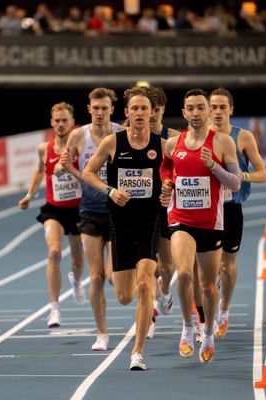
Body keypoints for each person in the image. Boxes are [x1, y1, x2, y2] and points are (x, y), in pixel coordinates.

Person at [82, 86, 162, 370]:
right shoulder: (113, 143)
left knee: (143, 286)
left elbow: (176, 171)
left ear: (152, 113)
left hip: (149, 224)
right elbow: (88, 173)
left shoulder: (161, 144)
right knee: (125, 296)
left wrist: (170, 189)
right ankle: (156, 281)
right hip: (121, 226)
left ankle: (137, 351)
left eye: (145, 109)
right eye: (135, 109)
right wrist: (110, 191)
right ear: (127, 113)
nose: (140, 113)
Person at [160, 88, 241, 363]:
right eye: (190, 108)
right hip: (180, 219)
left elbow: (236, 182)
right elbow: (166, 171)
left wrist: (214, 167)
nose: (195, 113)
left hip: (211, 223)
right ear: (184, 113)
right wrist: (167, 186)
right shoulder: (173, 144)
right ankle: (186, 328)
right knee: (183, 274)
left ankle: (207, 332)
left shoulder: (223, 142)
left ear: (208, 111)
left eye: (200, 108)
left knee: (207, 285)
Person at [60, 87, 122, 351]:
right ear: (89, 109)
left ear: (111, 110)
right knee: (95, 277)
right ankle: (102, 332)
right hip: (90, 211)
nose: (99, 113)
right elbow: (70, 167)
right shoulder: (78, 135)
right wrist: (67, 166)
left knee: (113, 278)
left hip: (118, 212)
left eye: (104, 108)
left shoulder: (121, 133)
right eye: (95, 108)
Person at [18, 102, 85, 328]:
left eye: (65, 120)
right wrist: (29, 194)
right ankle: (54, 309)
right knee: (54, 252)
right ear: (51, 122)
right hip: (54, 209)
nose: (60, 124)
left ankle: (75, 280)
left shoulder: (80, 147)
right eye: (56, 120)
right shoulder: (44, 149)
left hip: (78, 210)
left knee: (77, 260)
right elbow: (39, 170)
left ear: (72, 123)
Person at [208, 88, 266, 338]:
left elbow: (262, 173)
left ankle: (224, 309)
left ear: (231, 110)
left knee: (227, 265)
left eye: (223, 107)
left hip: (232, 209)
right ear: (207, 110)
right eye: (214, 107)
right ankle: (204, 319)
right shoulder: (200, 137)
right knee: (206, 268)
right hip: (206, 210)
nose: (218, 112)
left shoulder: (243, 137)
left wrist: (240, 176)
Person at [144, 86, 180, 318]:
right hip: (141, 207)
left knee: (166, 267)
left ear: (162, 109)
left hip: (167, 205)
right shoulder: (130, 137)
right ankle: (147, 318)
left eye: (157, 109)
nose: (153, 114)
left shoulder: (176, 138)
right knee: (145, 266)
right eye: (149, 109)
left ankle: (164, 291)